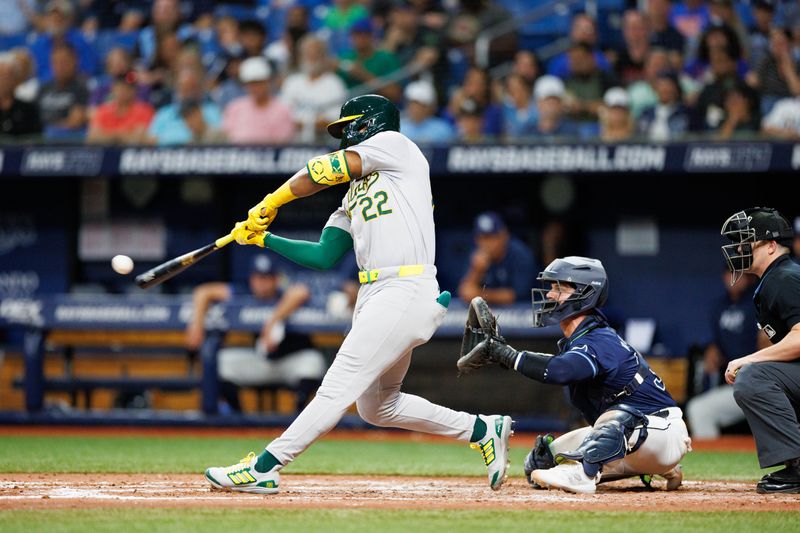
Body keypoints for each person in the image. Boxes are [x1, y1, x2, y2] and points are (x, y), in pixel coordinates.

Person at [204, 94, 513, 494]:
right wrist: (264, 239)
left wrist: (272, 201)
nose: (343, 136)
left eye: (347, 126)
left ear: (366, 125)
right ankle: (482, 429)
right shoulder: (352, 194)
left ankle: (266, 466)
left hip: (404, 287)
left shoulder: (397, 147)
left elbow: (320, 170)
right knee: (378, 406)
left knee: (337, 387)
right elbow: (324, 255)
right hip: (376, 294)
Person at [457, 257, 691, 494]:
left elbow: (560, 370)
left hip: (661, 432)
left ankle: (584, 475)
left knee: (615, 421)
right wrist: (507, 355)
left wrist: (507, 355)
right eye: (551, 288)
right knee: (541, 461)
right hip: (639, 441)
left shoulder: (600, 339)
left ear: (584, 294)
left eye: (559, 288)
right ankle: (659, 467)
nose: (549, 295)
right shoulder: (579, 340)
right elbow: (560, 364)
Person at [721, 207, 800, 494]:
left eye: (746, 242)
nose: (739, 248)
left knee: (754, 377)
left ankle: (798, 467)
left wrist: (747, 359)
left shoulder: (784, 278)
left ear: (770, 245)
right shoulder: (776, 277)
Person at [186, 255, 326, 414]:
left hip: (290, 362)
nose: (262, 284)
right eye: (258, 278)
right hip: (262, 361)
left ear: (276, 279)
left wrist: (273, 320)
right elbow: (203, 292)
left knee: (313, 362)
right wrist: (196, 323)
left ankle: (296, 417)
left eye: (267, 278)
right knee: (222, 363)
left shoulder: (284, 294)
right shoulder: (244, 292)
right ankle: (239, 418)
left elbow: (301, 291)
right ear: (252, 278)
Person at [686, 269, 765, 440]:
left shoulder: (759, 301)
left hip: (761, 381)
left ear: (749, 277)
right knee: (699, 409)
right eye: (730, 273)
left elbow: (767, 343)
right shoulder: (719, 306)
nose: (734, 278)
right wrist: (712, 348)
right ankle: (712, 462)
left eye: (739, 273)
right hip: (736, 383)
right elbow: (716, 344)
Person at [458, 211, 536, 306]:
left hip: (522, 312)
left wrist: (480, 295)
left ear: (504, 236)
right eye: (481, 238)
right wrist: (476, 271)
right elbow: (465, 292)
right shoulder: (477, 255)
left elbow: (516, 295)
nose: (486, 243)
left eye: (491, 237)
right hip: (489, 312)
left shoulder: (520, 254)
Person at [280, 35, 347, 144]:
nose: (312, 56)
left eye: (316, 52)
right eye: (307, 52)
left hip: (325, 146)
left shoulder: (335, 83)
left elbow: (334, 122)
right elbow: (283, 116)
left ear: (324, 56)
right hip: (293, 146)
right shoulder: (291, 82)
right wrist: (311, 123)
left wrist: (304, 123)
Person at [222, 56, 296, 144]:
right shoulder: (234, 107)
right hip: (237, 155)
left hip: (270, 156)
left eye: (259, 82)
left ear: (268, 82)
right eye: (251, 83)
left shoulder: (282, 109)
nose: (255, 87)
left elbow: (283, 143)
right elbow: (227, 137)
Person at [86, 71, 154, 144]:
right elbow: (92, 137)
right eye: (119, 87)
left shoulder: (144, 110)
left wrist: (107, 135)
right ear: (113, 89)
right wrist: (122, 135)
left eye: (127, 88)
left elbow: (140, 138)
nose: (122, 91)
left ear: (134, 91)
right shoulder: (103, 110)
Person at [37, 42, 88, 140]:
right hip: (39, 141)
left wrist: (49, 128)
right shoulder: (43, 88)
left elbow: (75, 122)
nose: (59, 66)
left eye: (63, 61)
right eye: (55, 62)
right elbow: (33, 117)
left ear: (74, 61)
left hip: (65, 142)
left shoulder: (81, 89)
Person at [399, 79, 456, 144]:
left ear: (429, 107)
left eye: (420, 105)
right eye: (412, 104)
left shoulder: (443, 129)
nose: (415, 108)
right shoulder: (400, 128)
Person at [0, 53, 41, 138]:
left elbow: (36, 139)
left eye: (7, 77)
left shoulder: (28, 110)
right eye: (0, 76)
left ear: (16, 80)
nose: (3, 81)